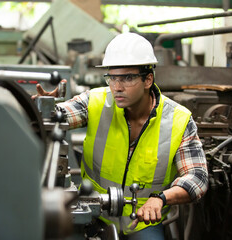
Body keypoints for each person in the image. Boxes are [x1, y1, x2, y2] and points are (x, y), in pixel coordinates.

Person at [32, 32, 208, 239]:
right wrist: (46, 111)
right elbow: (62, 116)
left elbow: (198, 178)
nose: (117, 87)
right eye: (112, 78)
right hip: (94, 214)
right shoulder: (95, 102)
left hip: (142, 223)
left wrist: (160, 198)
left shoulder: (179, 120)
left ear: (148, 79)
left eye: (128, 78)